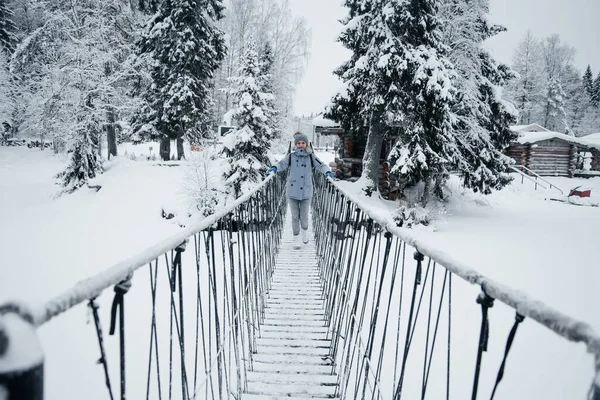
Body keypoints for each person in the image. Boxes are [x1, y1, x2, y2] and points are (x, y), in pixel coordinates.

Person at [267, 132, 334, 249]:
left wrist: (327, 171)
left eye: (303, 143)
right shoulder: (291, 157)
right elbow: (282, 164)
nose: (301, 145)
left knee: (304, 216)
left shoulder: (311, 157)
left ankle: (304, 233)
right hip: (292, 192)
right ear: (295, 144)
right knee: (294, 217)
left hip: (306, 192)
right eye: (298, 143)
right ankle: (296, 239)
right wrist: (274, 168)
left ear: (306, 144)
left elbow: (320, 165)